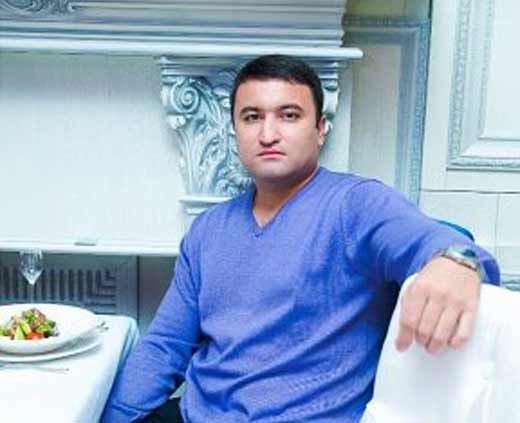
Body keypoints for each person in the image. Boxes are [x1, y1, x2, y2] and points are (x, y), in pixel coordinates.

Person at [101, 54, 500, 423]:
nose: (268, 133)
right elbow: (166, 345)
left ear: (319, 129)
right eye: (252, 117)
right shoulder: (207, 230)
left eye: (289, 115)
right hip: (199, 415)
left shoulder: (356, 204)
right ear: (235, 131)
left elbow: (448, 245)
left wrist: (456, 261)